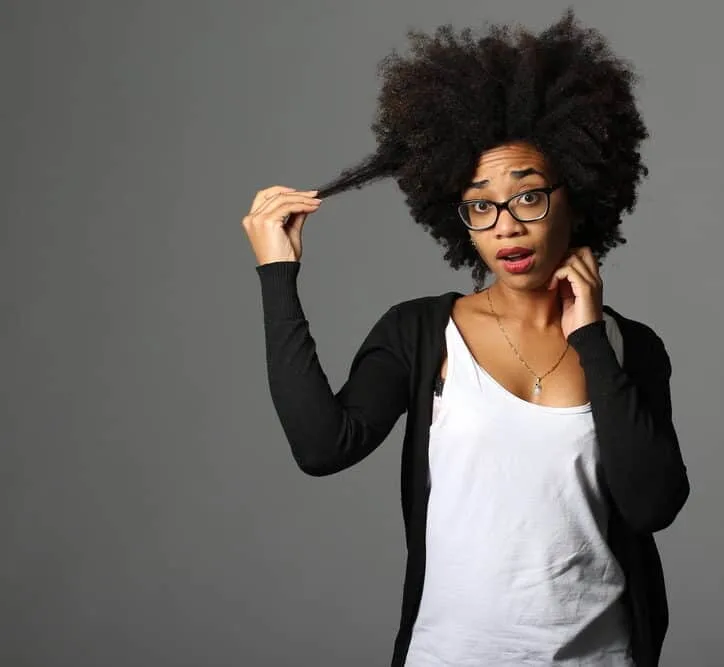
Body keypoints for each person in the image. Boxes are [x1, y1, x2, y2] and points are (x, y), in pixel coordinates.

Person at [241, 10, 689, 666]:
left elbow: (652, 503)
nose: (505, 224)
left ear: (578, 194)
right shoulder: (421, 333)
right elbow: (321, 446)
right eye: (481, 204)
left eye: (528, 196)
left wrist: (590, 336)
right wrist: (278, 276)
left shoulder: (627, 347)